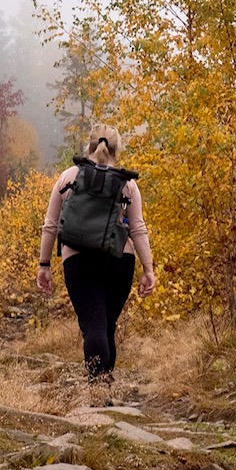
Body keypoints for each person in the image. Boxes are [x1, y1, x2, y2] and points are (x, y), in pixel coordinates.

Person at [37, 123, 156, 383]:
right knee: (106, 326)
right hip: (120, 261)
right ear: (117, 149)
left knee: (93, 325)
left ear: (88, 145)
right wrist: (148, 269)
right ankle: (105, 386)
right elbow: (137, 228)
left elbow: (50, 225)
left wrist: (44, 264)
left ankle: (99, 389)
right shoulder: (127, 185)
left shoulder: (68, 177)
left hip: (78, 261)